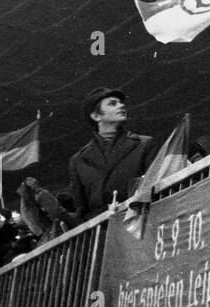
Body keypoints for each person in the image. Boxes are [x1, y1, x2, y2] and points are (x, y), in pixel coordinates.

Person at [64, 88, 160, 221]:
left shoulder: (144, 144)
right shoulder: (78, 160)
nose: (122, 105)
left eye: (121, 103)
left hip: (136, 223)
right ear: (96, 116)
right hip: (99, 232)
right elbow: (82, 209)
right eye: (113, 103)